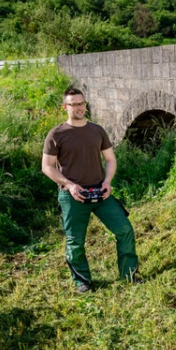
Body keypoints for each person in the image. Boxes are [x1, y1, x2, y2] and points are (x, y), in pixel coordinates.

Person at [41, 87, 139, 292]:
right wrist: (69, 185)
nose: (79, 107)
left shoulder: (97, 130)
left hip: (100, 192)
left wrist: (107, 181)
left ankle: (129, 273)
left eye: (82, 103)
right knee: (75, 242)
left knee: (125, 229)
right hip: (72, 195)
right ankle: (82, 281)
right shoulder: (56, 134)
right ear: (65, 107)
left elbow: (110, 159)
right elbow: (47, 167)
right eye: (74, 104)